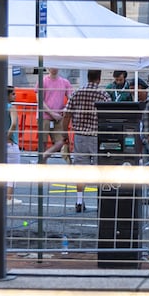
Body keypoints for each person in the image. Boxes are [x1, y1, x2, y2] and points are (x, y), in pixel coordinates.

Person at [65, 69, 108, 213]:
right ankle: (100, 202)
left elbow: (67, 114)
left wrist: (65, 133)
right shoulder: (103, 94)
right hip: (97, 136)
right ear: (99, 78)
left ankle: (79, 200)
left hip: (80, 136)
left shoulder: (77, 93)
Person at [36, 66, 72, 162]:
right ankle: (42, 164)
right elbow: (39, 100)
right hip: (44, 116)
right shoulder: (42, 81)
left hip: (58, 118)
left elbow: (70, 98)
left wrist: (65, 109)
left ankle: (43, 157)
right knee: (42, 144)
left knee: (61, 141)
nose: (54, 68)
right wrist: (52, 113)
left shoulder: (65, 82)